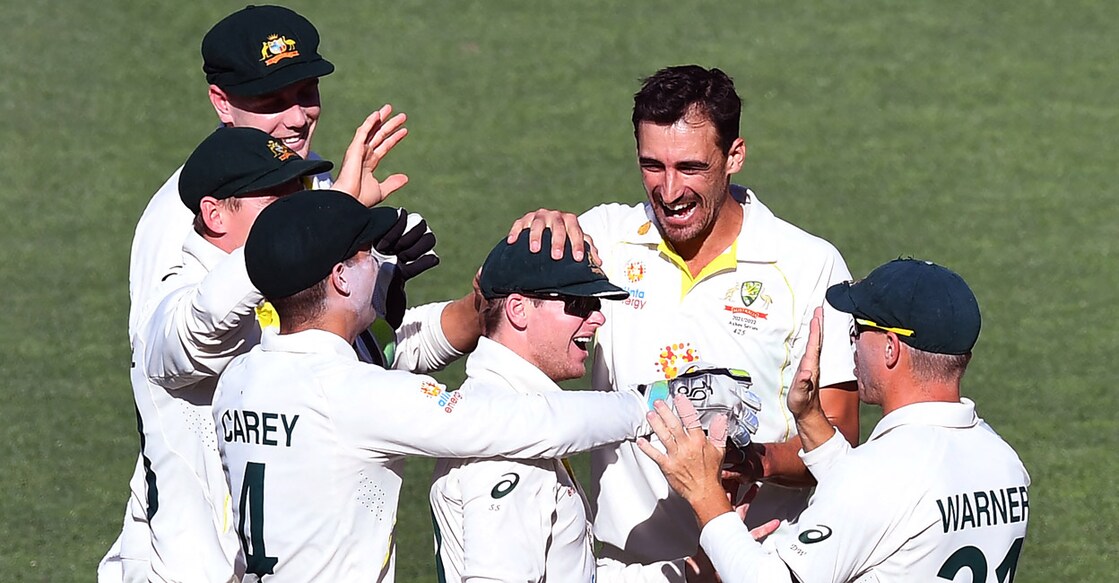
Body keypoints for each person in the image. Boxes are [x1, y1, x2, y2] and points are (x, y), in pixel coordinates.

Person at [212, 191, 724, 582]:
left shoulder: (237, 380)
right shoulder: (354, 395)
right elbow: (519, 421)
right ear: (341, 278)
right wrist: (652, 405)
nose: (384, 261)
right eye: (369, 254)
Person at [508, 65, 859, 565]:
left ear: (734, 156)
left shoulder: (808, 265)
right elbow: (502, 321)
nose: (669, 192)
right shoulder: (603, 239)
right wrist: (528, 245)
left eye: (690, 168)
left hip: (763, 564)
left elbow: (840, 439)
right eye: (653, 165)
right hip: (627, 566)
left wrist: (752, 461)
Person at [641, 258, 1031, 582]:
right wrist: (810, 418)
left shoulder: (880, 475)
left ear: (891, 348)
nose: (851, 343)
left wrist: (704, 493)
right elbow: (889, 512)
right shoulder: (1004, 462)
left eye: (858, 330)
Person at [430, 230, 759, 582]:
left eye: (597, 306)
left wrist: (691, 574)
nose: (598, 318)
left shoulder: (513, 419)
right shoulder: (508, 456)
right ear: (518, 309)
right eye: (578, 305)